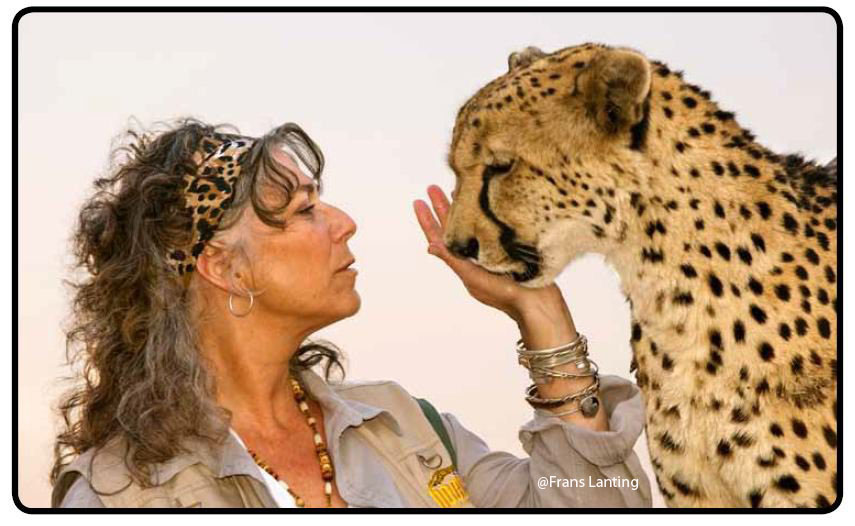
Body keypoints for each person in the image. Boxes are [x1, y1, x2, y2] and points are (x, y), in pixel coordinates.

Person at [51, 119, 651, 508]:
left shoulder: (407, 427)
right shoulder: (117, 495)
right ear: (224, 268)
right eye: (304, 210)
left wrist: (541, 314)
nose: (344, 223)